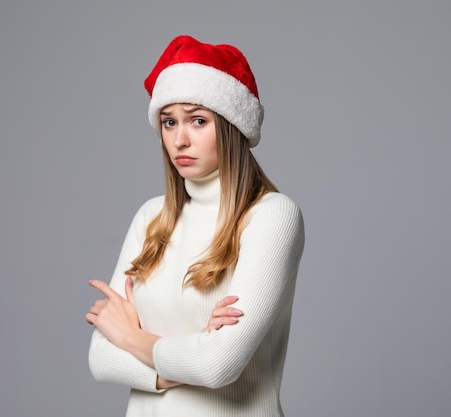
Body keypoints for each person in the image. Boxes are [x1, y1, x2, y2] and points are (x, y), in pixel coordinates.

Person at [85, 35, 305, 417]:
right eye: (169, 122)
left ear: (231, 125)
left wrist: (131, 337)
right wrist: (196, 345)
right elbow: (101, 358)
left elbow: (217, 365)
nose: (180, 139)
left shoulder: (271, 216)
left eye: (198, 120)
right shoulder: (150, 218)